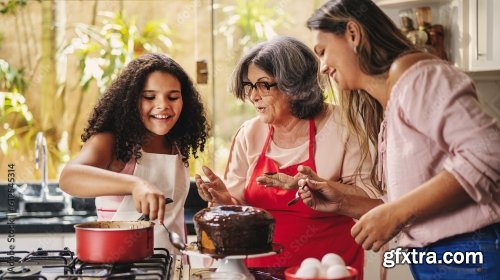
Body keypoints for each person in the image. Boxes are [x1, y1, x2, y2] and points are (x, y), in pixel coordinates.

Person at [300, 0, 500, 278]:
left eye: (323, 51)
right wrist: (343, 203)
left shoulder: (418, 78)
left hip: (468, 253)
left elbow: (488, 151)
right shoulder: (395, 97)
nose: (322, 67)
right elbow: (414, 203)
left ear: (353, 34)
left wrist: (397, 213)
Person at [194, 36, 383, 276]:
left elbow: (374, 204)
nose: (253, 96)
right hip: (257, 273)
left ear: (296, 85)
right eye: (249, 86)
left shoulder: (345, 127)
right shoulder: (249, 134)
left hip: (324, 271)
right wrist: (224, 201)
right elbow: (240, 209)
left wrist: (323, 187)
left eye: (264, 85)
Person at [59, 53, 208, 253]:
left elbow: (172, 219)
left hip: (171, 266)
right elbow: (69, 177)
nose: (163, 105)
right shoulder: (113, 142)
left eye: (173, 97)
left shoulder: (176, 146)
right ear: (130, 101)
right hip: (119, 267)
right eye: (149, 97)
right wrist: (135, 184)